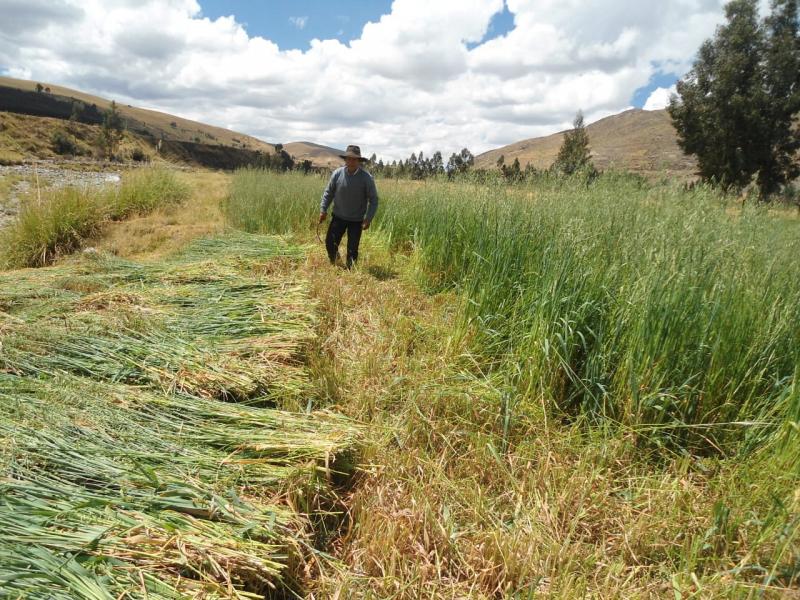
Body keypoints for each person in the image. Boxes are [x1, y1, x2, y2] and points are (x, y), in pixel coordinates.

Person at [319, 145, 379, 269]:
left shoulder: (366, 178)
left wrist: (368, 219)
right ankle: (337, 264)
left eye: (354, 159)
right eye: (349, 159)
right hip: (338, 217)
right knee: (330, 243)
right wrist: (323, 209)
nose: (351, 162)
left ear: (359, 161)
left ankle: (351, 271)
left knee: (352, 250)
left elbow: (374, 200)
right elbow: (328, 192)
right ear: (345, 159)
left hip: (356, 221)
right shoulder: (337, 174)